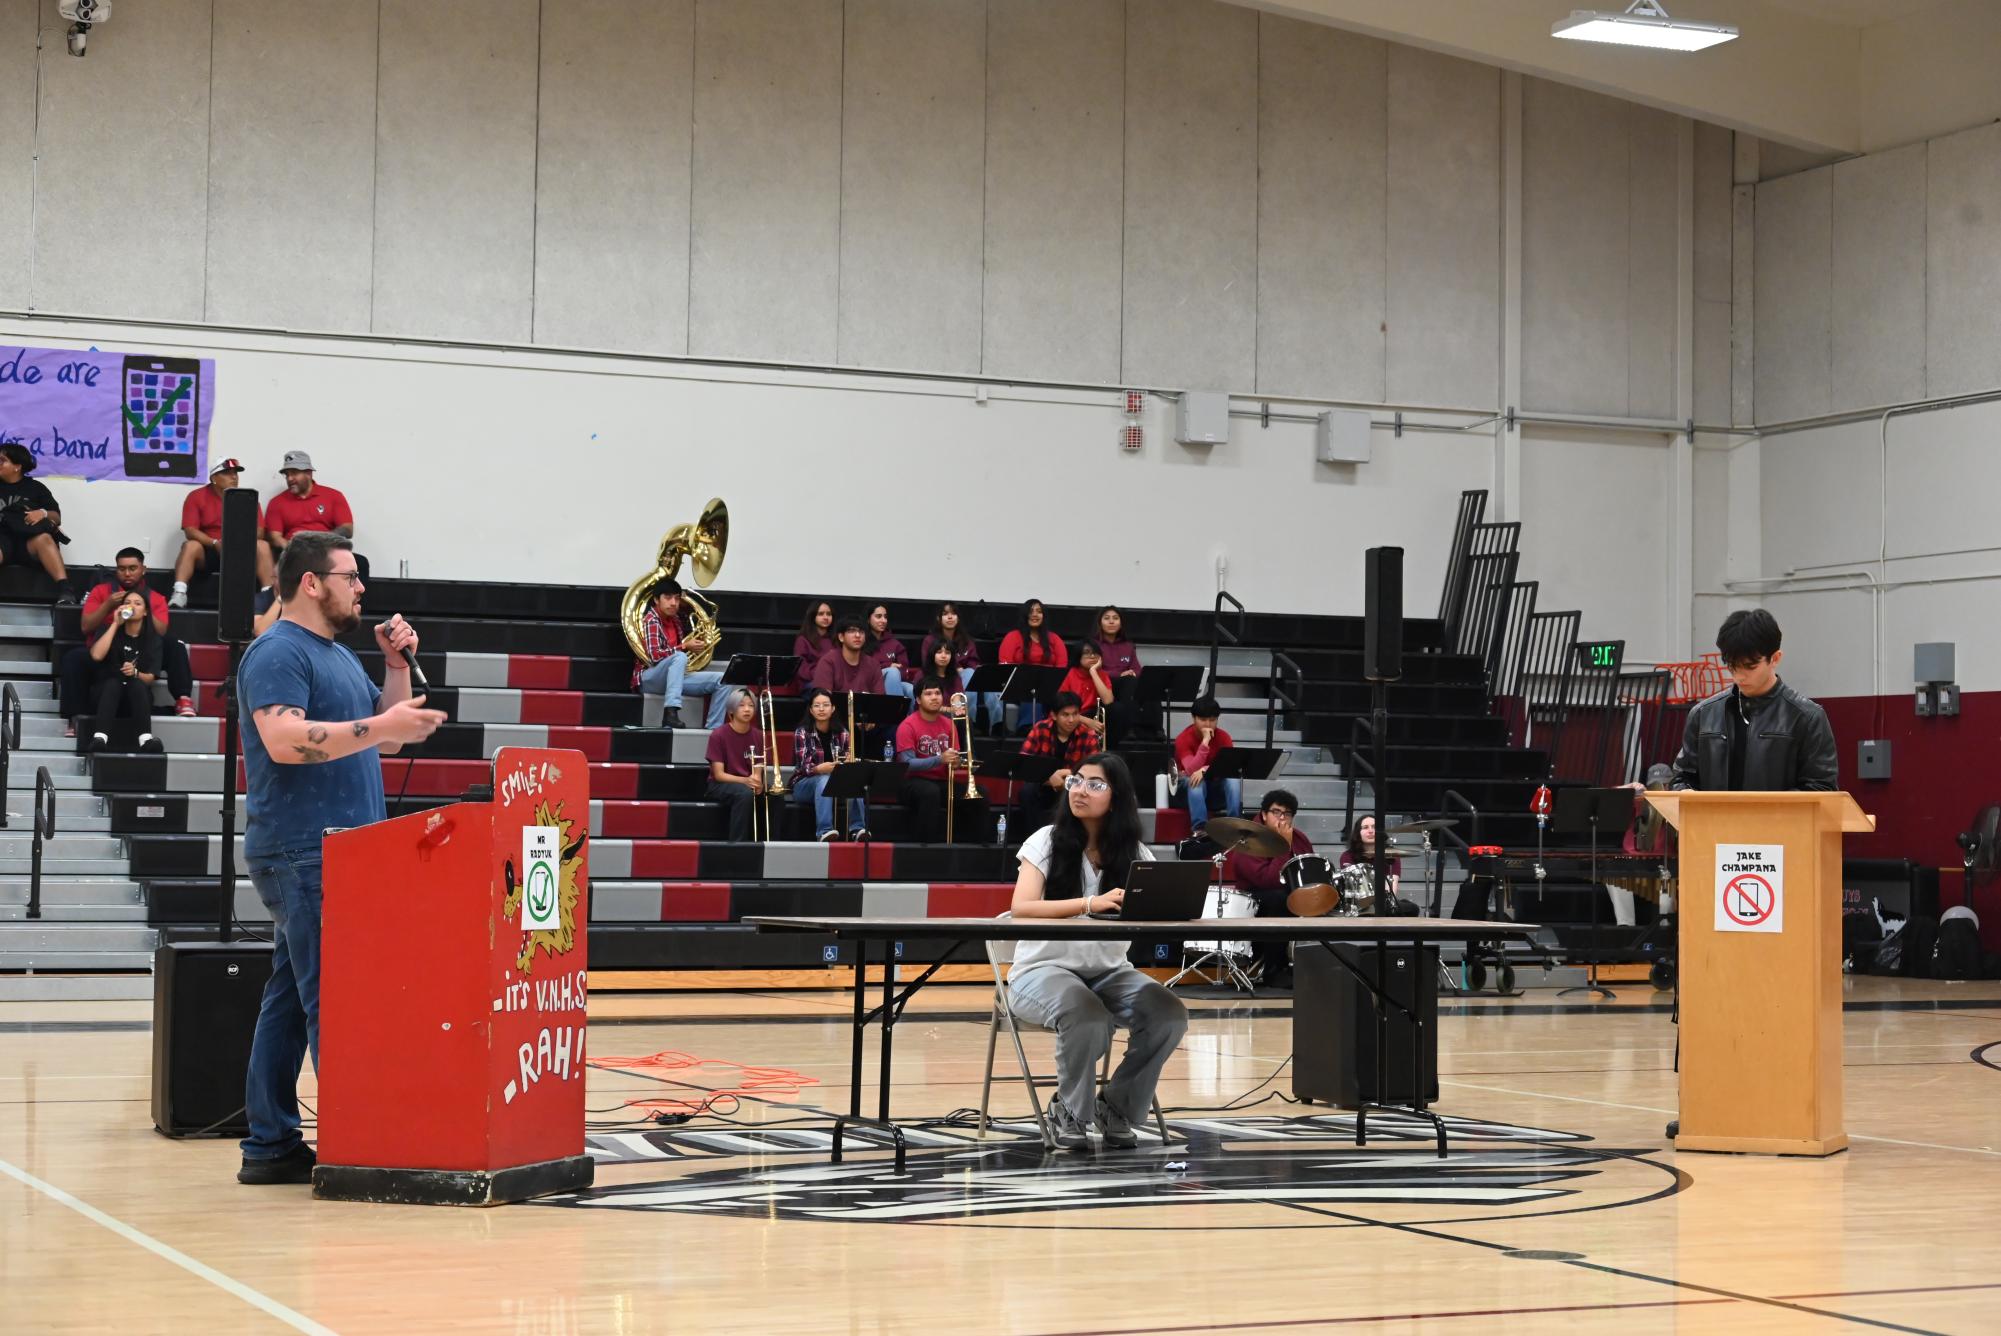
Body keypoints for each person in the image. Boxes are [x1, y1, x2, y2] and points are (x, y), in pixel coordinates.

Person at [236, 532, 447, 1184]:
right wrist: (383, 727)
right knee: (338, 999)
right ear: (310, 582)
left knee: (292, 1001)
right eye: (350, 576)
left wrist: (392, 667)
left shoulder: (335, 655)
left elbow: (381, 743)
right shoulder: (277, 651)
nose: (361, 589)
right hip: (305, 850)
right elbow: (282, 740)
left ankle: (270, 1147)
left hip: (336, 852)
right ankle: (360, 1151)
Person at [1006, 753, 1189, 1151]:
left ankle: (1117, 1107)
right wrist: (1088, 904)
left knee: (1169, 1014)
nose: (1080, 790)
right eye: (1076, 780)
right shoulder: (1045, 840)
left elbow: (1154, 909)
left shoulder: (1136, 853)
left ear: (1117, 796)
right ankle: (1069, 1112)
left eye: (1095, 784)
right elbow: (1021, 908)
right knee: (1085, 1013)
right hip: (1041, 972)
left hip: (1109, 972)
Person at [1671, 609, 1837, 793]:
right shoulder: (1703, 714)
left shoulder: (1807, 717)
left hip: (1778, 822)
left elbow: (1821, 790)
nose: (1739, 676)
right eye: (1732, 666)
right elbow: (1681, 777)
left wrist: (1766, 812)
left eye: (1750, 667)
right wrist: (1684, 792)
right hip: (1715, 822)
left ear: (1775, 659)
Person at [62, 547, 198, 732]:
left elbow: (161, 630)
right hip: (108, 650)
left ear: (144, 569)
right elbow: (86, 627)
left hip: (142, 650)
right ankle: (74, 718)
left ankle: (183, 698)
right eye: (121, 568)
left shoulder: (155, 598)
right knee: (74, 658)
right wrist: (108, 605)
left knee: (175, 645)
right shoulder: (101, 591)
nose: (127, 573)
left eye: (132, 568)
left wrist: (143, 610)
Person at [1224, 789, 1314, 988]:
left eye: (1287, 813)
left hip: (1292, 894)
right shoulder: (1249, 839)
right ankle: (1274, 970)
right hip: (1255, 901)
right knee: (1279, 898)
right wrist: (1284, 847)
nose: (1282, 818)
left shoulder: (1300, 838)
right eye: (1276, 812)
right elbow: (1268, 880)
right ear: (1264, 815)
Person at [170, 456, 273, 608]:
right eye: (227, 473)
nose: (234, 477)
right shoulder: (196, 497)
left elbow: (259, 531)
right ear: (214, 478)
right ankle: (179, 593)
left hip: (240, 552)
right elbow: (190, 530)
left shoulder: (247, 498)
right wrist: (214, 543)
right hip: (210, 551)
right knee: (190, 545)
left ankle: (268, 595)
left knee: (263, 545)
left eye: (236, 473)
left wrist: (237, 542)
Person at [630, 578, 728, 730]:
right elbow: (655, 656)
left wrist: (700, 644)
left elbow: (678, 654)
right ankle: (671, 713)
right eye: (668, 598)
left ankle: (714, 730)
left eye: (676, 598)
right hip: (649, 678)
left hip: (673, 679)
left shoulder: (676, 620)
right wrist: (685, 646)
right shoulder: (651, 620)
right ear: (656, 600)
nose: (674, 603)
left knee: (723, 680)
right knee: (680, 656)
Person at [82, 589, 163, 751]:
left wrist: (135, 673)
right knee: (113, 683)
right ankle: (99, 739)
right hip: (106, 696)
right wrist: (114, 623)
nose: (131, 606)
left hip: (135, 699)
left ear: (145, 611)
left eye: (137, 603)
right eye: (127, 603)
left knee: (137, 684)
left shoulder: (153, 640)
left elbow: (150, 678)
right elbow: (96, 655)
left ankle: (146, 740)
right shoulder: (108, 630)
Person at [0, 442, 76, 603]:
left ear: (17, 466)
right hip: (2, 541)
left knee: (44, 538)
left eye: (2, 460)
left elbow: (57, 517)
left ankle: (66, 590)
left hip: (27, 542)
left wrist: (42, 513)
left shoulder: (35, 488)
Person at [791, 688, 866, 841]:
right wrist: (819, 769)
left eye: (825, 705)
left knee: (857, 779)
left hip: (835, 781)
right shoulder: (802, 732)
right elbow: (802, 767)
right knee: (824, 779)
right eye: (817, 705)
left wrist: (847, 763)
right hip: (804, 784)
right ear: (811, 710)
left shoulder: (843, 732)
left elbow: (848, 762)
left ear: (832, 709)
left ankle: (858, 829)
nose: (821, 709)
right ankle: (824, 831)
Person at [261, 451, 357, 570]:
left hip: (328, 550)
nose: (290, 479)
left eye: (294, 473)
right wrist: (292, 548)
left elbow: (347, 529)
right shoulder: (277, 502)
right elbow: (275, 538)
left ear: (309, 473)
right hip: (295, 553)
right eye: (287, 475)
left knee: (361, 563)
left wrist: (317, 538)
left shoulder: (333, 496)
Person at [895, 677, 961, 843]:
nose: (934, 697)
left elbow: (954, 760)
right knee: (930, 792)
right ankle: (924, 846)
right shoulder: (907, 725)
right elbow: (908, 764)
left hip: (941, 780)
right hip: (912, 781)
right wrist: (940, 759)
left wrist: (956, 761)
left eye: (938, 693)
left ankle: (973, 848)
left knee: (979, 795)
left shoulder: (950, 724)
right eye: (928, 693)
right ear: (918, 699)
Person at [1017, 692, 1099, 823]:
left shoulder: (1088, 735)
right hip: (1042, 785)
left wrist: (1068, 776)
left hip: (1073, 786)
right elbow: (1023, 764)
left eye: (1075, 714)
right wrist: (1049, 778)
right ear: (1054, 715)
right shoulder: (1040, 729)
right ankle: (1034, 837)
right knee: (1027, 791)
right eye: (1065, 715)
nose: (1071, 720)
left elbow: (1094, 771)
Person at [920, 602, 997, 731]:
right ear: (939, 619)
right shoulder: (930, 640)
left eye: (953, 613)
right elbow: (927, 664)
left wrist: (964, 669)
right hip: (941, 676)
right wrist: (956, 667)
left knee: (979, 677)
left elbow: (974, 663)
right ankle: (966, 720)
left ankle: (991, 725)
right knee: (968, 673)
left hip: (964, 677)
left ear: (958, 618)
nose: (950, 617)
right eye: (945, 614)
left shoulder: (966, 640)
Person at [998, 598, 1069, 734]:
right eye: (1030, 611)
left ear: (1044, 616)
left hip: (1049, 688)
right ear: (1024, 615)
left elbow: (1062, 668)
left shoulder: (1054, 639)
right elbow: (1004, 667)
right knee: (1032, 693)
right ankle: (1030, 731)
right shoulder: (1013, 637)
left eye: (1039, 611)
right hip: (1019, 688)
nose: (1035, 615)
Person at [705, 689, 767, 842]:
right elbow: (719, 775)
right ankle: (737, 844)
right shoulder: (718, 734)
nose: (747, 709)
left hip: (747, 782)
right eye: (741, 705)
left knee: (775, 796)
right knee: (744, 794)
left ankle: (770, 841)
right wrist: (745, 781)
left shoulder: (758, 735)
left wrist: (757, 780)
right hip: (720, 784)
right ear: (731, 709)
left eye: (751, 705)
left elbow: (759, 763)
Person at [1174, 696, 1241, 828]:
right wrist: (1205, 742)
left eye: (1212, 720)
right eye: (1203, 720)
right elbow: (1190, 770)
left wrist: (1205, 770)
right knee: (1195, 780)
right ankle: (1200, 829)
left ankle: (1235, 825)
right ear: (1193, 719)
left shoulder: (1224, 737)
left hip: (1215, 788)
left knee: (1232, 780)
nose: (1208, 725)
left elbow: (1229, 767)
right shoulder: (1183, 738)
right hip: (1189, 790)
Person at [1092, 605, 1143, 744]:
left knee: (1138, 682)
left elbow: (1137, 668)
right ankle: (1129, 726)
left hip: (1126, 685)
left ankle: (1153, 731)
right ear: (1100, 623)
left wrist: (1132, 673)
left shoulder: (1128, 645)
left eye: (1115, 618)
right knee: (1129, 681)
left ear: (1121, 623)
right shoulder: (1093, 644)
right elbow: (1094, 669)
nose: (1111, 622)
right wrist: (1119, 675)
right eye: (1107, 618)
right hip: (1103, 685)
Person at [810, 617, 886, 695]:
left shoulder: (873, 664)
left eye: (861, 632)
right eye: (852, 631)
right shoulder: (828, 661)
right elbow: (823, 700)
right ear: (841, 637)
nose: (857, 635)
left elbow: (879, 700)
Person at [1341, 814, 1404, 906]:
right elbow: (1351, 889)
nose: (1370, 831)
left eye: (1374, 827)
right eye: (1365, 827)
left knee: (1411, 908)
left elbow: (1391, 889)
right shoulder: (1347, 856)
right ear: (1358, 833)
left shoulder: (1391, 855)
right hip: (1358, 903)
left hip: (1383, 903)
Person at [1058, 640, 1112, 735]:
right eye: (1087, 653)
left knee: (1118, 710)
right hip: (1074, 715)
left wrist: (1093, 672)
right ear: (1078, 657)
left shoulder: (1102, 674)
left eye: (1095, 653)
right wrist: (1087, 721)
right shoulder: (1070, 674)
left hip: (1095, 713)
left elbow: (1108, 701)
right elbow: (1060, 707)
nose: (1092, 656)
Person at [865, 603, 914, 701]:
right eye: (878, 617)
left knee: (911, 689)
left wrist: (896, 669)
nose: (883, 620)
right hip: (870, 682)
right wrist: (888, 665)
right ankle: (895, 714)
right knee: (892, 672)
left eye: (885, 617)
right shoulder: (861, 640)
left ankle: (911, 717)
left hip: (894, 681)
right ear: (868, 619)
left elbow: (904, 671)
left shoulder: (894, 643)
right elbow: (864, 669)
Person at [793, 599, 837, 690]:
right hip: (811, 683)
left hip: (833, 681)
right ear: (813, 616)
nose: (826, 617)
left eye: (829, 614)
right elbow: (801, 669)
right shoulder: (803, 640)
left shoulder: (836, 639)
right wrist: (822, 675)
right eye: (821, 614)